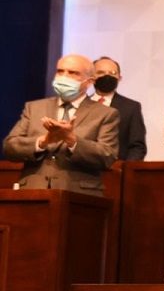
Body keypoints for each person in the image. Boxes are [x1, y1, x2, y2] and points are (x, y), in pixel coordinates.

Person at [3, 53, 120, 195]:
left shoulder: (105, 113)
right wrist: (43, 142)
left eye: (73, 73)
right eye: (60, 71)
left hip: (78, 194)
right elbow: (10, 147)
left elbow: (107, 156)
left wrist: (72, 140)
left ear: (89, 81)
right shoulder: (34, 108)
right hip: (32, 192)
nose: (64, 77)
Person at [91, 56, 147, 161]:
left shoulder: (131, 107)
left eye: (112, 73)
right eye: (101, 72)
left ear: (119, 78)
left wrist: (125, 168)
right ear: (91, 77)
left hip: (116, 167)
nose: (107, 76)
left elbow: (137, 146)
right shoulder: (81, 104)